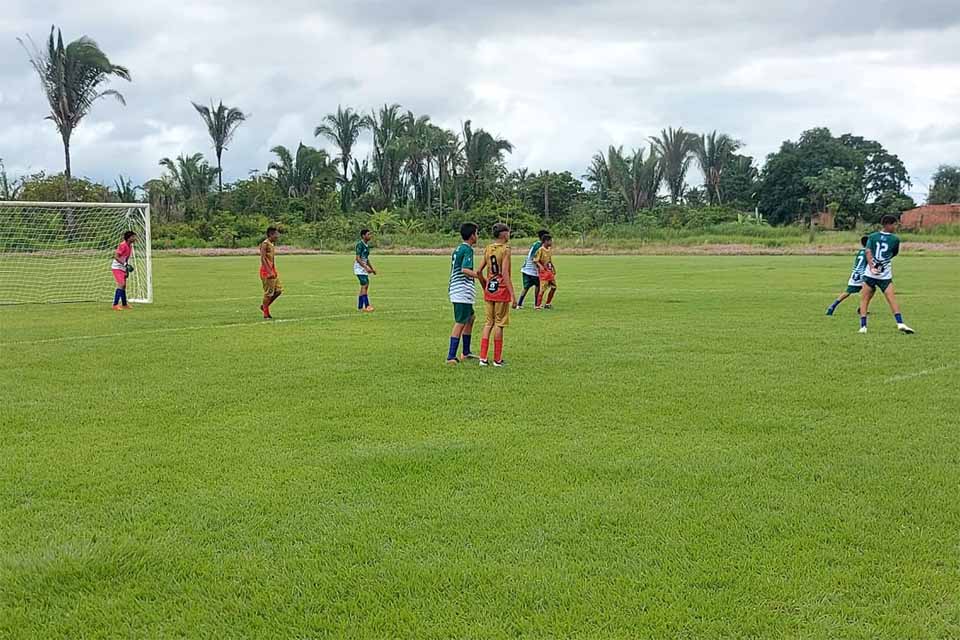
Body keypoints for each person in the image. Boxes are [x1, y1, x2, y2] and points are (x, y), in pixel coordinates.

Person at [858, 215, 914, 334]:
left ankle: (863, 327)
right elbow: (894, 253)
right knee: (891, 299)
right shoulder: (895, 239)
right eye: (894, 224)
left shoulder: (872, 237)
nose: (895, 227)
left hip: (870, 274)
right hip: (884, 274)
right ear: (888, 224)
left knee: (864, 300)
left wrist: (872, 266)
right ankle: (900, 323)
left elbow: (867, 251)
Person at [476, 223, 515, 367]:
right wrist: (513, 295)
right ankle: (497, 360)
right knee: (499, 323)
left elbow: (479, 271)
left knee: (488, 323)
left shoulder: (488, 248)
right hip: (501, 290)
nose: (509, 234)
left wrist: (484, 285)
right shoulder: (506, 250)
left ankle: (483, 358)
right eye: (508, 232)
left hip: (489, 290)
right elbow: (504, 273)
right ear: (503, 234)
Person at [446, 222, 484, 365]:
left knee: (470, 317)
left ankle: (466, 352)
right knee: (460, 321)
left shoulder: (459, 248)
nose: (478, 236)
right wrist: (479, 276)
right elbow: (464, 270)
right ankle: (451, 356)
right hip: (461, 290)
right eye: (477, 233)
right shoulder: (468, 249)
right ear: (472, 235)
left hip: (459, 289)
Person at [825, 236, 868, 316]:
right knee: (869, 290)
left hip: (855, 274)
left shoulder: (860, 252)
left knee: (847, 292)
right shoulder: (868, 252)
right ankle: (862, 308)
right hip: (863, 275)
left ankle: (832, 306)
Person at [516, 229, 549, 309]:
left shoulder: (535, 244)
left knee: (526, 287)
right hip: (532, 270)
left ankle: (519, 304)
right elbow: (534, 258)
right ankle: (536, 304)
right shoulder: (539, 246)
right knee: (537, 286)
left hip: (525, 269)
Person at [259, 226, 283, 319]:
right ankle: (266, 314)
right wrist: (269, 271)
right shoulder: (265, 244)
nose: (278, 236)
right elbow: (263, 258)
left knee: (278, 291)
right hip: (266, 272)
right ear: (271, 234)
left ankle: (264, 306)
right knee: (268, 293)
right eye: (276, 234)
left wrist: (273, 270)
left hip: (272, 271)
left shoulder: (272, 244)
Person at [111, 230, 137, 310]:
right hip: (117, 267)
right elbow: (116, 256)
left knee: (124, 286)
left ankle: (124, 304)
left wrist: (126, 269)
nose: (135, 238)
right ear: (128, 238)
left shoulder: (130, 246)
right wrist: (126, 265)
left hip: (123, 267)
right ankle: (115, 305)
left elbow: (126, 258)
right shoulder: (123, 245)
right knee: (121, 284)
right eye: (133, 237)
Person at [354, 228, 376, 312]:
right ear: (363, 236)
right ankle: (367, 306)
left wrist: (371, 268)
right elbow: (358, 258)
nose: (370, 236)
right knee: (365, 285)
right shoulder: (360, 244)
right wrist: (366, 267)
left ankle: (360, 307)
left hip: (363, 268)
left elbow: (366, 259)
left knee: (365, 286)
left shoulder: (367, 246)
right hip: (359, 268)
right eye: (368, 234)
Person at [535, 234, 557, 309]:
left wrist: (553, 268)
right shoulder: (540, 250)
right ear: (546, 241)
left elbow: (549, 260)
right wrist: (541, 267)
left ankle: (547, 304)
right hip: (543, 273)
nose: (551, 242)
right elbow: (535, 260)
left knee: (554, 287)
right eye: (550, 241)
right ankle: (537, 306)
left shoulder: (549, 249)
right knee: (542, 289)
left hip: (549, 271)